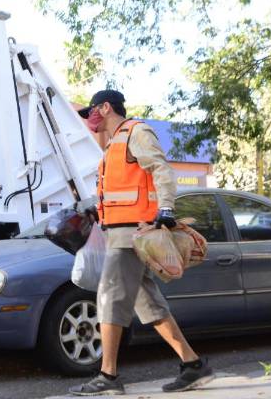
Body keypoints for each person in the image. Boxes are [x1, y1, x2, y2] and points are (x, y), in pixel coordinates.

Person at [69, 90, 214, 395]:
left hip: (132, 235)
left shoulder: (136, 132)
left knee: (109, 298)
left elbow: (160, 168)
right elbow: (121, 191)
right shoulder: (112, 145)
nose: (90, 120)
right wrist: (97, 210)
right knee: (149, 304)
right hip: (120, 233)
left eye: (92, 112)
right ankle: (193, 365)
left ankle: (108, 376)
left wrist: (167, 208)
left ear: (106, 107)